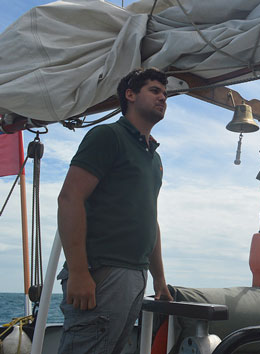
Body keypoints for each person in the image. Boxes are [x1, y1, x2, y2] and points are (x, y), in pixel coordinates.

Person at [56, 67, 173, 354]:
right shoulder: (108, 136)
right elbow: (70, 199)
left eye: (165, 94)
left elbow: (150, 220)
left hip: (136, 274)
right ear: (130, 95)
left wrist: (159, 279)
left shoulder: (154, 157)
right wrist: (80, 272)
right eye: (154, 91)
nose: (163, 98)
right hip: (101, 272)